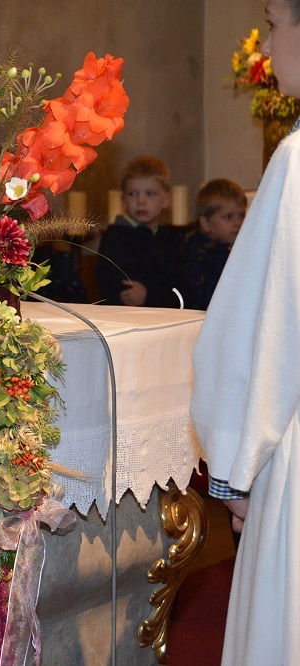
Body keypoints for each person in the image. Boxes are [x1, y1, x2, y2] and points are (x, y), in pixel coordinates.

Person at [190, 2, 300, 662]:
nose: (265, 43)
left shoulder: (297, 162)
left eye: (276, 23)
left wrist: (236, 474)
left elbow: (262, 336)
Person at [95, 156, 184, 307]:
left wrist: (150, 295)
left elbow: (183, 289)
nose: (141, 201)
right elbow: (121, 289)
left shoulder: (172, 240)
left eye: (150, 194)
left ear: (166, 200)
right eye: (133, 194)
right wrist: (159, 293)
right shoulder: (115, 238)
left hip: (166, 315)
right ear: (123, 201)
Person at [179, 179, 247, 310]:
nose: (237, 222)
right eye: (228, 217)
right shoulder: (196, 255)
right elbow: (206, 299)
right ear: (205, 223)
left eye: (241, 215)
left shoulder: (239, 249)